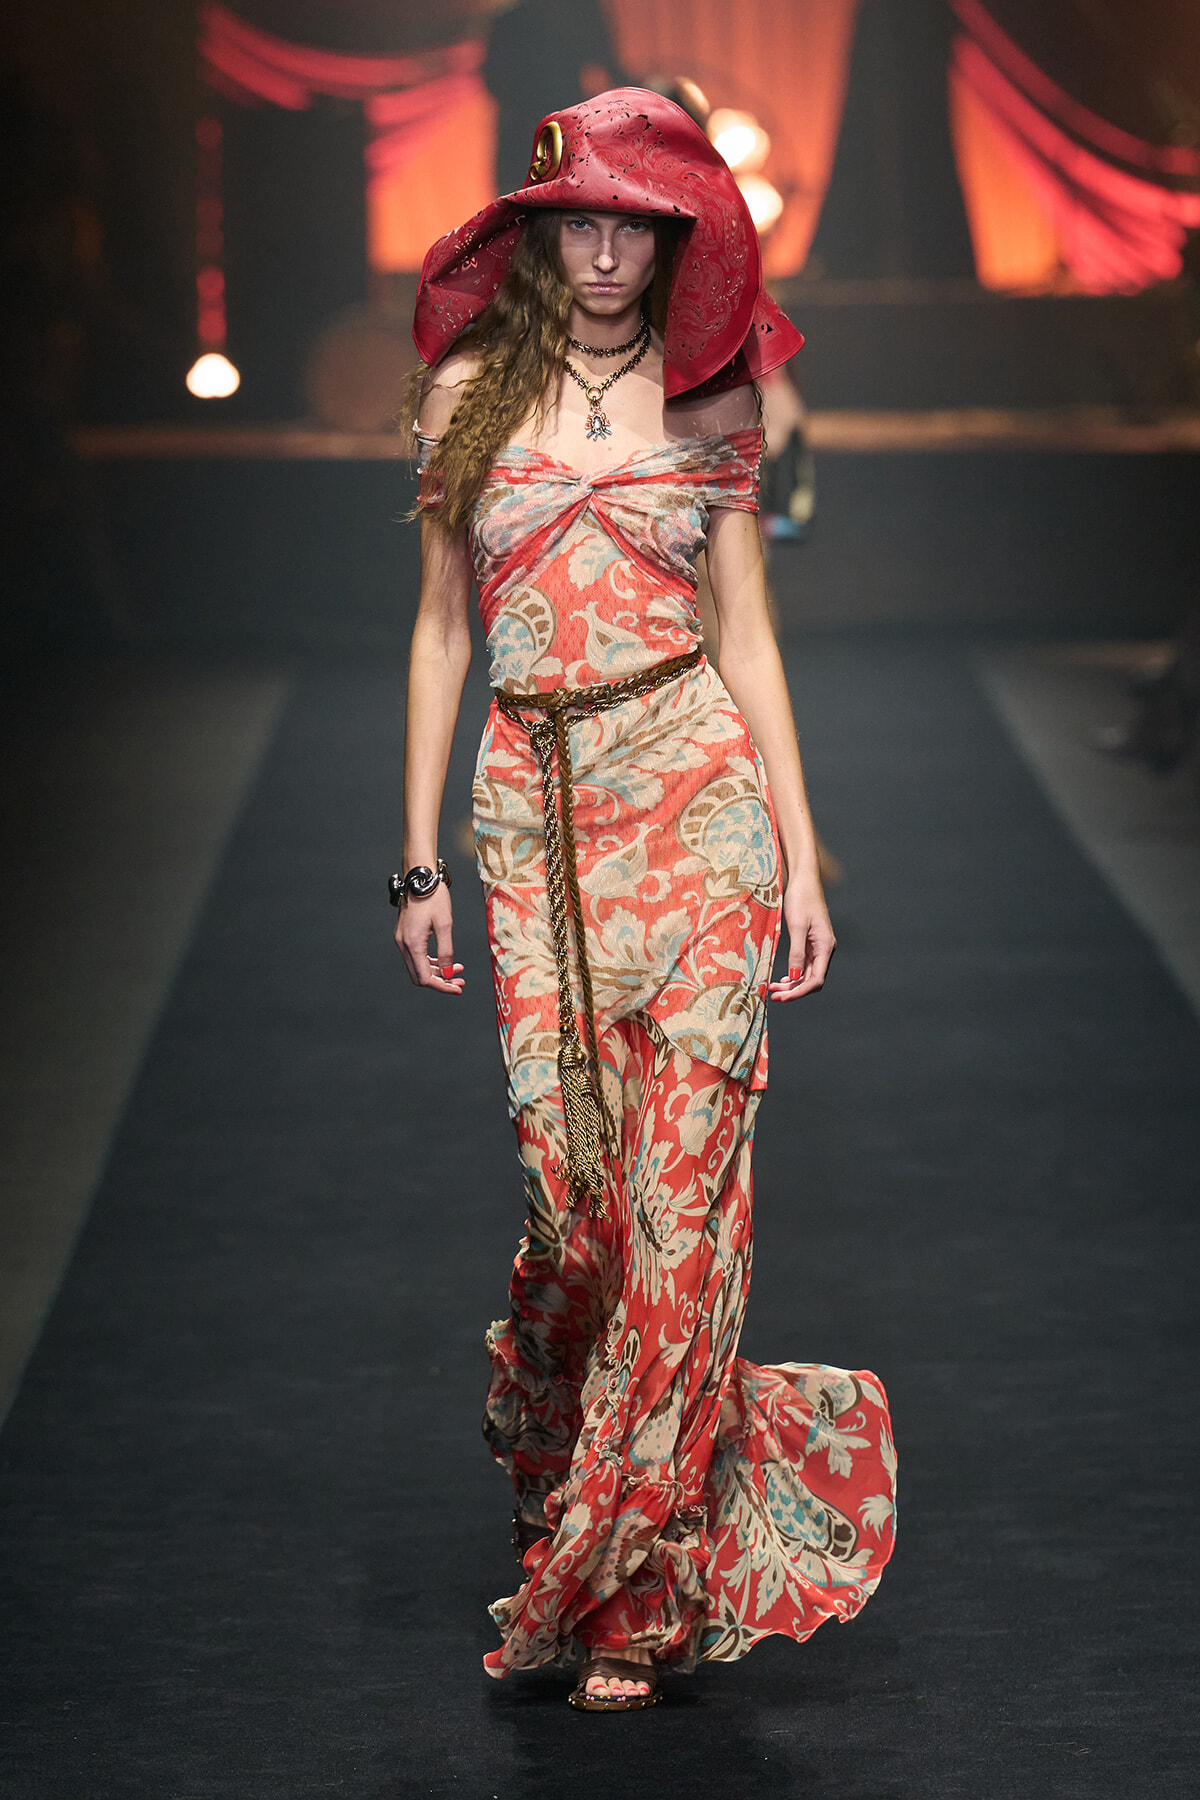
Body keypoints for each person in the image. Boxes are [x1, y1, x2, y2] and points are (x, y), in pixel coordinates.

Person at [394, 89, 896, 1711]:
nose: (608, 253)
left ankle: (637, 1587)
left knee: (684, 1204)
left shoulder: (714, 393)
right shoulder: (467, 393)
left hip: (696, 806)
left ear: (671, 239)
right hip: (531, 823)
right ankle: (578, 1478)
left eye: (635, 225)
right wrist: (416, 862)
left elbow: (747, 632)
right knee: (578, 1207)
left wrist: (801, 855)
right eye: (582, 224)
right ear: (541, 235)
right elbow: (441, 631)